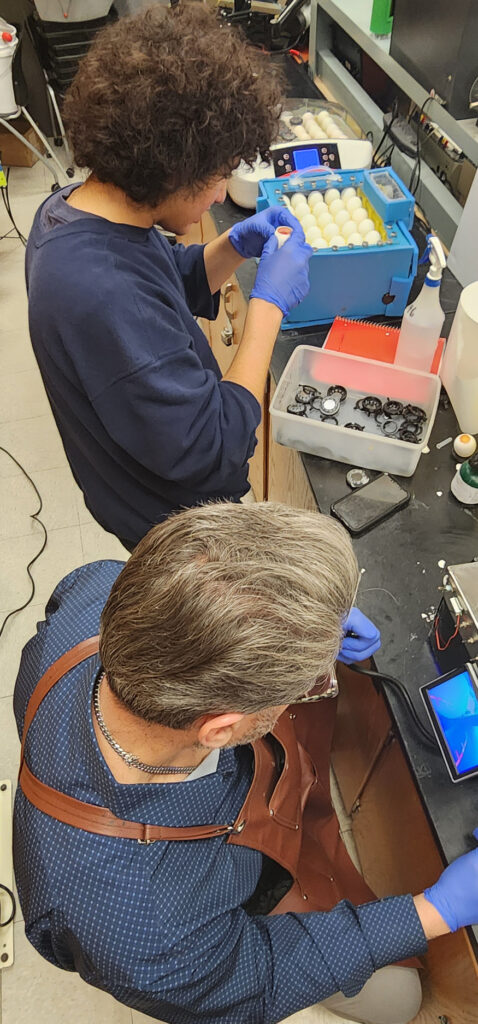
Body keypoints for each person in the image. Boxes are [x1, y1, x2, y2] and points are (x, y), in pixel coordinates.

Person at [13, 501, 478, 1024]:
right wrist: (436, 910)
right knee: (401, 1001)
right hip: (220, 900)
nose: (311, 687)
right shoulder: (147, 935)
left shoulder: (93, 591)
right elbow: (262, 977)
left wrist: (306, 620)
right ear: (220, 730)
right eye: (297, 688)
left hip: (234, 824)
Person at [25, 4, 312, 551]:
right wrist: (269, 307)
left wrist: (229, 247)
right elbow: (218, 442)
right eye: (219, 177)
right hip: (176, 533)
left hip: (152, 476)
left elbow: (160, 281)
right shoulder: (99, 289)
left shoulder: (74, 211)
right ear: (175, 168)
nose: (223, 196)